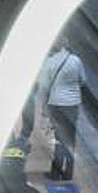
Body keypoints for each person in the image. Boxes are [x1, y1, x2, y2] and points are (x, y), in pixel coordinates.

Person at [35, 37, 85, 181]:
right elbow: (83, 81)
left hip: (55, 103)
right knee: (70, 138)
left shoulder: (50, 62)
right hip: (73, 104)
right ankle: (69, 171)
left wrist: (41, 106)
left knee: (56, 137)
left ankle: (55, 172)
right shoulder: (76, 60)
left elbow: (43, 85)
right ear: (66, 46)